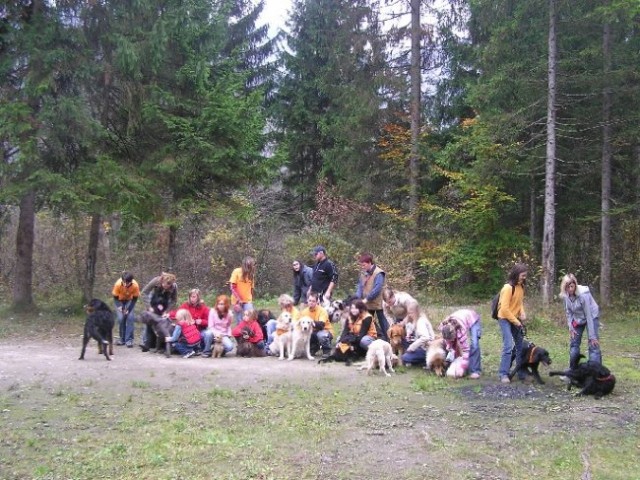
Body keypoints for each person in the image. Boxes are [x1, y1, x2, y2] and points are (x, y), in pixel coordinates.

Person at [559, 273, 601, 368]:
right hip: (578, 318)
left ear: (575, 285)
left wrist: (592, 336)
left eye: (572, 286)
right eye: (567, 287)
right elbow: (568, 312)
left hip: (591, 316)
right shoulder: (565, 296)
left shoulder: (583, 295)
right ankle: (572, 370)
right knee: (574, 343)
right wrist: (571, 327)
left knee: (593, 344)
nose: (570, 289)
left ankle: (595, 372)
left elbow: (588, 315)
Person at [497, 263, 528, 383]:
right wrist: (516, 322)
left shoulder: (521, 287)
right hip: (504, 318)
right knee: (508, 345)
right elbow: (504, 309)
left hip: (515, 318)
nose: (524, 277)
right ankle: (503, 373)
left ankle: (520, 372)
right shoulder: (508, 288)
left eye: (525, 275)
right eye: (523, 275)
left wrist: (522, 313)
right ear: (516, 274)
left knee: (520, 346)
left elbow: (519, 303)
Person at [438, 309, 482, 378]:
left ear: (455, 332)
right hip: (461, 316)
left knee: (474, 344)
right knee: (453, 347)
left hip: (473, 319)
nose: (452, 340)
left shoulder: (461, 331)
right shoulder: (443, 327)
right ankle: (458, 364)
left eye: (452, 338)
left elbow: (466, 350)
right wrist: (449, 347)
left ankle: (475, 371)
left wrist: (462, 368)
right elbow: (448, 341)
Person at [355, 253, 389, 341]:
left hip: (378, 303)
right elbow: (360, 287)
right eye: (361, 265)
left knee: (384, 324)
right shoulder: (363, 273)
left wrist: (366, 299)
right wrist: (357, 299)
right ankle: (369, 343)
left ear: (370, 262)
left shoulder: (379, 273)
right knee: (368, 323)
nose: (362, 267)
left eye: (364, 265)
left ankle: (390, 342)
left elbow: (377, 289)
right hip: (367, 304)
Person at [169, 289, 213, 357]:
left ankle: (204, 351)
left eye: (194, 297)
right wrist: (169, 315)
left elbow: (210, 322)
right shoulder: (185, 305)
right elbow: (177, 313)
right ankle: (188, 349)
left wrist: (201, 321)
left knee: (208, 334)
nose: (192, 298)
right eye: (191, 296)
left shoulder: (204, 308)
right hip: (187, 331)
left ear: (198, 297)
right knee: (174, 327)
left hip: (199, 331)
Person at [140, 272, 178, 348]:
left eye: (167, 286)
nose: (165, 287)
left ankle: (160, 342)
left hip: (165, 300)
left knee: (161, 321)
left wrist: (166, 311)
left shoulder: (174, 287)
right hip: (153, 297)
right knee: (149, 319)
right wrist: (149, 307)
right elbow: (144, 292)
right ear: (162, 280)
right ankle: (145, 341)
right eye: (164, 284)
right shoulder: (156, 281)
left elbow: (174, 300)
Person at [112, 271, 140, 348]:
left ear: (131, 281)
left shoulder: (135, 285)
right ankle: (122, 339)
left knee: (130, 318)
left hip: (129, 301)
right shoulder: (118, 284)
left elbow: (135, 298)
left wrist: (129, 309)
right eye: (124, 282)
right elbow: (115, 297)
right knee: (121, 318)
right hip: (119, 300)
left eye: (128, 283)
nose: (126, 284)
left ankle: (129, 340)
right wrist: (120, 307)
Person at [300, 292, 332, 356]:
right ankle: (314, 347)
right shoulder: (304, 312)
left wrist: (310, 321)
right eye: (310, 300)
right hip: (311, 332)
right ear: (307, 301)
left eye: (313, 301)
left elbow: (321, 325)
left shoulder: (322, 311)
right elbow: (299, 324)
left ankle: (326, 350)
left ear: (317, 301)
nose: (311, 302)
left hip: (324, 331)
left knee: (321, 335)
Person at [229, 256, 257, 324]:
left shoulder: (251, 275)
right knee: (240, 321)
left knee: (250, 319)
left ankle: (250, 333)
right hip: (237, 301)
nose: (251, 267)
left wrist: (251, 299)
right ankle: (241, 334)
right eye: (249, 265)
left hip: (247, 301)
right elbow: (232, 287)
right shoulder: (237, 271)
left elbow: (251, 288)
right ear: (245, 264)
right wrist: (238, 300)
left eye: (252, 265)